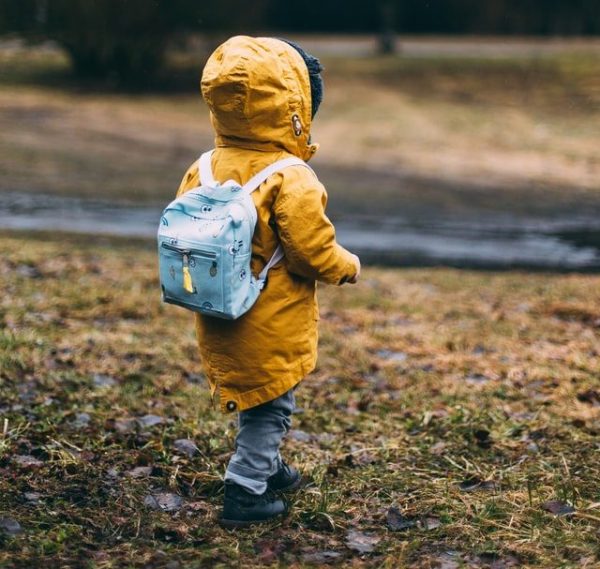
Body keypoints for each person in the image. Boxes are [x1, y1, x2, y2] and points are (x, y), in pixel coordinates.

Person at [176, 36, 361, 528]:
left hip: (218, 311)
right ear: (295, 108)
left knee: (259, 395)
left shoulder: (205, 167)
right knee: (272, 404)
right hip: (270, 315)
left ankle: (268, 466)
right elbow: (310, 250)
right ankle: (247, 488)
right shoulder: (291, 176)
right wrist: (346, 265)